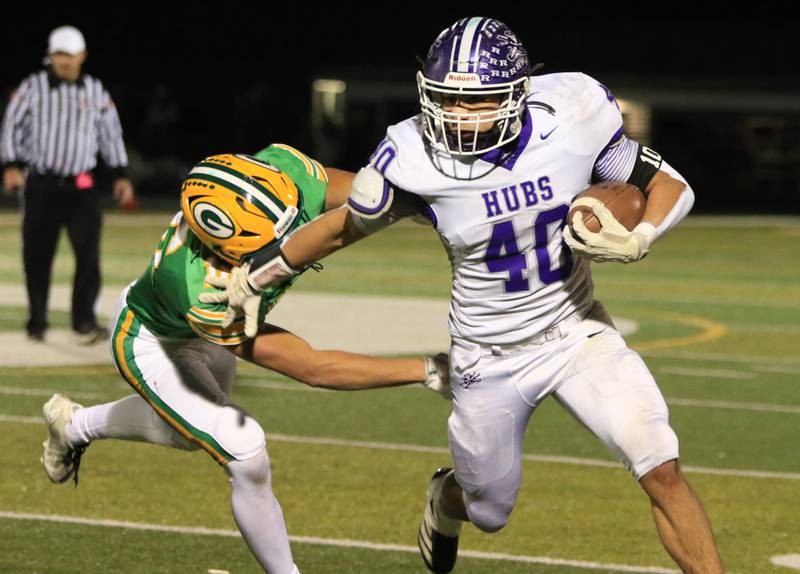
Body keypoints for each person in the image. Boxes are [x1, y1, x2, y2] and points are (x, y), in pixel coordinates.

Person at [203, 17, 725, 574]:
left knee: (660, 467)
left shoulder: (572, 118)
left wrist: (641, 235)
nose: (459, 115)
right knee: (489, 509)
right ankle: (444, 501)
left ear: (517, 94)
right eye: (449, 100)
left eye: (478, 102)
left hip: (577, 330)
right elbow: (342, 228)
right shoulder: (413, 159)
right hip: (487, 357)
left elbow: (665, 184)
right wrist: (257, 274)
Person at [40, 145, 450, 574]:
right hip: (152, 341)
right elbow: (310, 366)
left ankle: (73, 426)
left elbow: (370, 197)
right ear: (230, 249)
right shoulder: (202, 290)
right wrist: (423, 370)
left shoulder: (284, 175)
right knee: (245, 451)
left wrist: (431, 203)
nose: (292, 238)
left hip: (197, 327)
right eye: (275, 240)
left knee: (186, 431)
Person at [0, 25, 135, 343]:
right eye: (60, 55)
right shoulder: (32, 86)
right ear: (50, 56)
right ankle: (38, 321)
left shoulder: (95, 89)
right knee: (37, 256)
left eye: (71, 55)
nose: (65, 62)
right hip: (42, 184)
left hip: (83, 187)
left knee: (88, 256)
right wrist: (10, 165)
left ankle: (84, 321)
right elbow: (10, 126)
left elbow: (110, 133)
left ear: (82, 56)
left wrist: (120, 174)